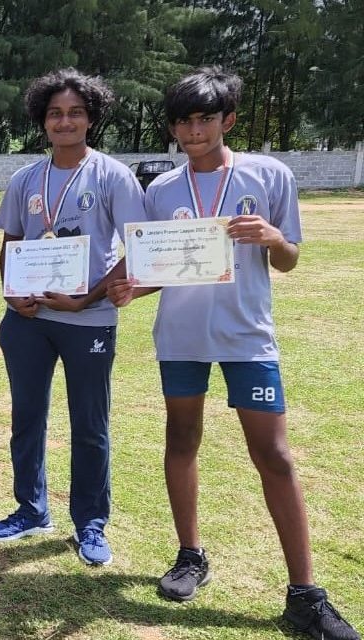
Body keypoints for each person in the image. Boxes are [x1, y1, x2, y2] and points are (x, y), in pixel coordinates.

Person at [108, 67, 358, 640]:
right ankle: (190, 555)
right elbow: (159, 270)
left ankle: (305, 594)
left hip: (248, 336)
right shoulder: (162, 190)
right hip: (181, 338)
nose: (194, 131)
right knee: (181, 440)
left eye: (205, 119)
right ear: (173, 128)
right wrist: (130, 288)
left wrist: (274, 238)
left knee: (274, 456)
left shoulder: (269, 174)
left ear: (228, 120)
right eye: (183, 122)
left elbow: (290, 258)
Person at [0, 69, 145, 567]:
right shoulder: (25, 179)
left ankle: (91, 523)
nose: (65, 121)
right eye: (56, 113)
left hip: (88, 320)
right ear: (42, 120)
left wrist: (87, 298)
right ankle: (31, 509)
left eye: (75, 112)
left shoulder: (112, 175)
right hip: (29, 321)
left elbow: (134, 248)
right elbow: (9, 244)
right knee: (26, 418)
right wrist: (12, 295)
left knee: (90, 425)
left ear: (91, 118)